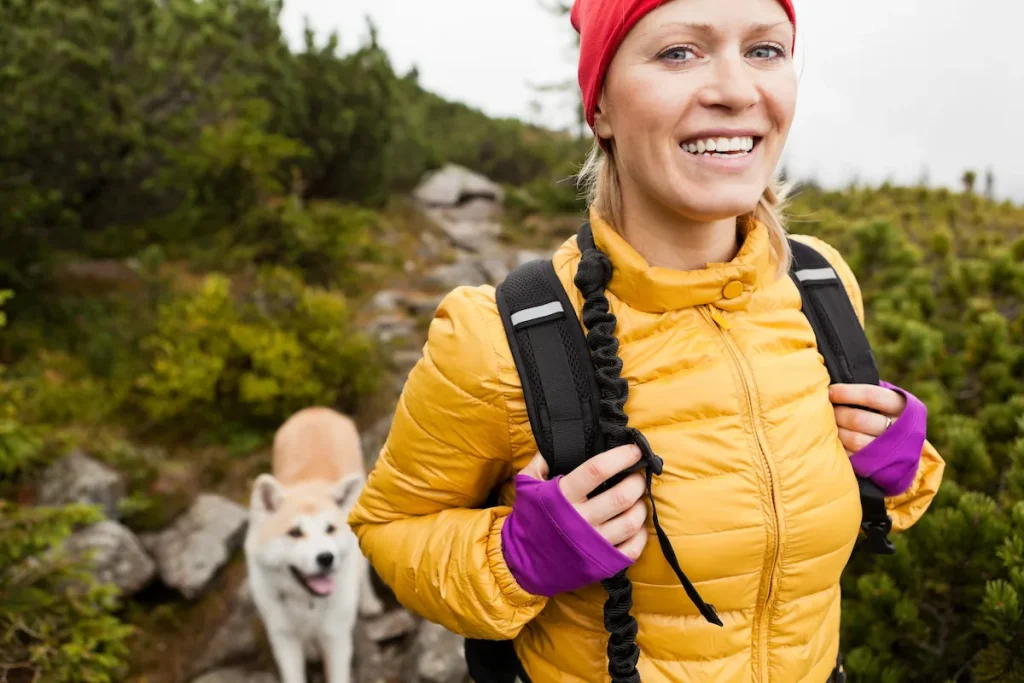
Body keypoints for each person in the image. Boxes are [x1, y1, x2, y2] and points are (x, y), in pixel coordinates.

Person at [348, 0, 946, 681]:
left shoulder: (820, 283)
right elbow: (389, 530)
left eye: (764, 50)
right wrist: (516, 555)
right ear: (600, 107)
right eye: (678, 53)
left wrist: (897, 471)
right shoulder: (498, 337)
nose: (735, 90)